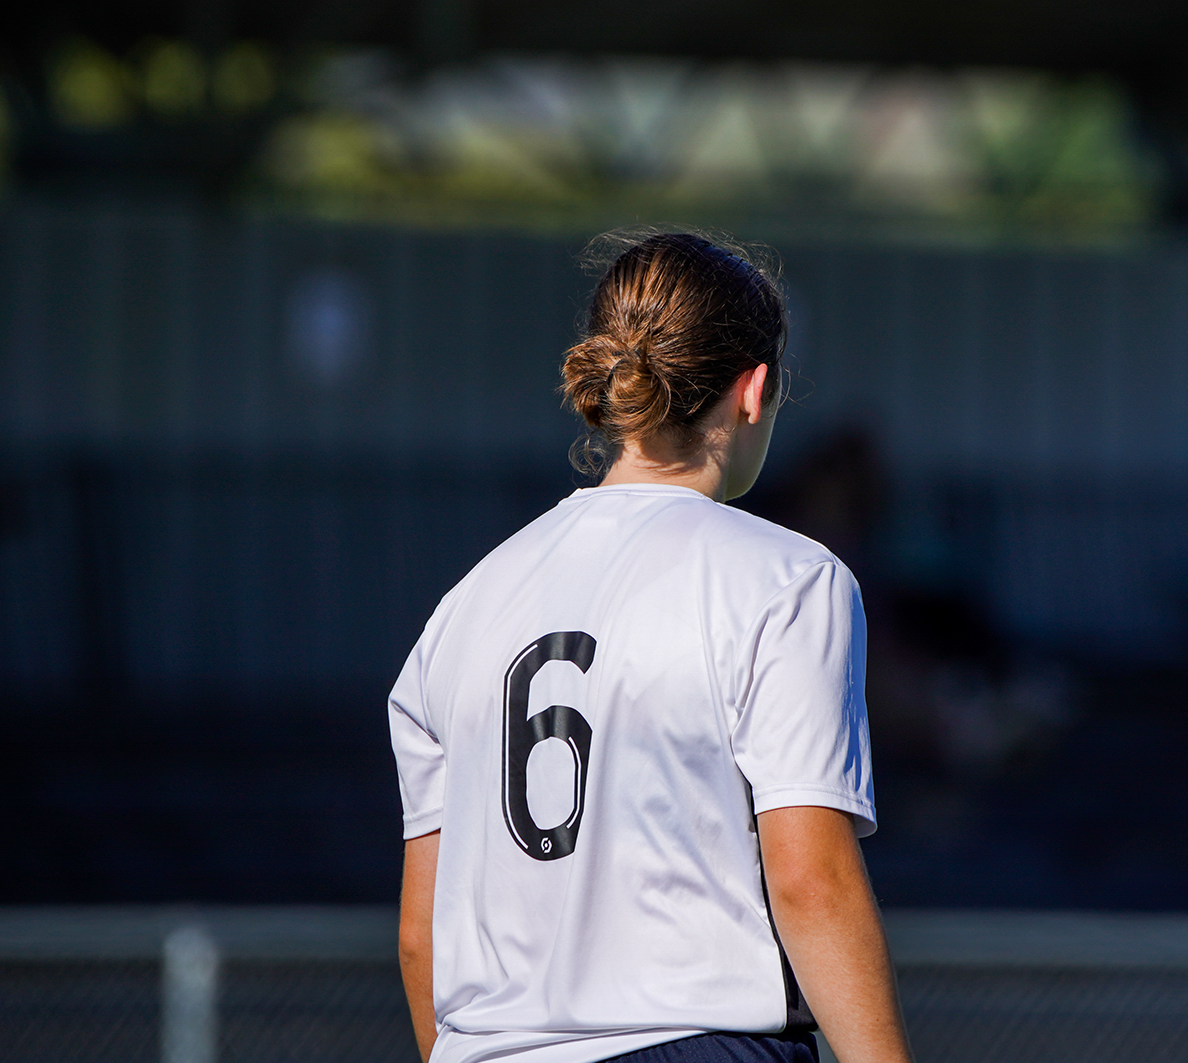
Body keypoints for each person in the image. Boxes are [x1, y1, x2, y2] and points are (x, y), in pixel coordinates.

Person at [389, 229, 914, 1063]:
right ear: (755, 389)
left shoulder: (461, 612)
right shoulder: (788, 580)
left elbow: (422, 936)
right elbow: (810, 882)